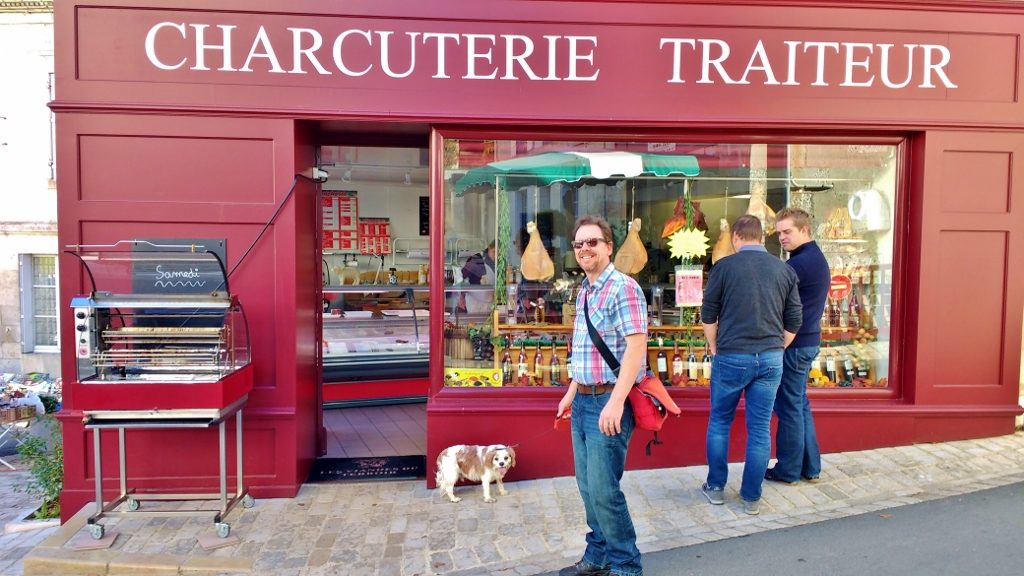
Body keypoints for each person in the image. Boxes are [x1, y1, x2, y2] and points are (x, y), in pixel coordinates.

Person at [556, 215, 647, 576]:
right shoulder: (585, 290)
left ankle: (627, 566)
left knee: (605, 491)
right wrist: (570, 392)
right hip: (583, 401)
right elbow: (586, 351)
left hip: (608, 402)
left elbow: (635, 348)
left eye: (592, 242)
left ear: (608, 246)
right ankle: (598, 554)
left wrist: (616, 401)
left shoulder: (622, 288)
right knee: (587, 487)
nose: (584, 249)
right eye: (579, 244)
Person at [700, 214, 802, 516]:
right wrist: (776, 347)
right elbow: (795, 320)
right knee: (759, 429)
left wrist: (715, 347)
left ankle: (716, 488)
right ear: (762, 237)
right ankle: (751, 497)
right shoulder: (784, 270)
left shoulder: (724, 267)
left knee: (720, 422)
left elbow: (708, 314)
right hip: (770, 359)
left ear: (735, 237)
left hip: (731, 355)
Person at [765, 207, 830, 484]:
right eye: (779, 232)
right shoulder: (813, 258)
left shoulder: (798, 265)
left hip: (794, 345)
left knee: (789, 406)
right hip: (807, 341)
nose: (781, 237)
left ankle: (788, 470)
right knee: (799, 404)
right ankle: (810, 467)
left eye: (787, 232)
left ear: (804, 230)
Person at [460, 241, 496, 313]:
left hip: (490, 305)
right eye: (494, 252)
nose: (496, 256)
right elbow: (460, 278)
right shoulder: (476, 259)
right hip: (474, 305)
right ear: (489, 248)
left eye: (499, 253)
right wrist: (460, 296)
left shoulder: (499, 264)